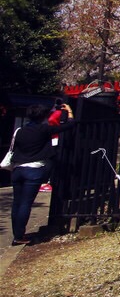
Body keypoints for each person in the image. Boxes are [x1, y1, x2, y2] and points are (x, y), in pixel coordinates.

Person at [9, 101, 73, 245]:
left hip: (17, 169)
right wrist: (69, 111)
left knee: (17, 203)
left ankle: (17, 234)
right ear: (43, 116)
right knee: (26, 203)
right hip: (34, 169)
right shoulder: (44, 130)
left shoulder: (19, 131)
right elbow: (69, 125)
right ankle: (19, 236)